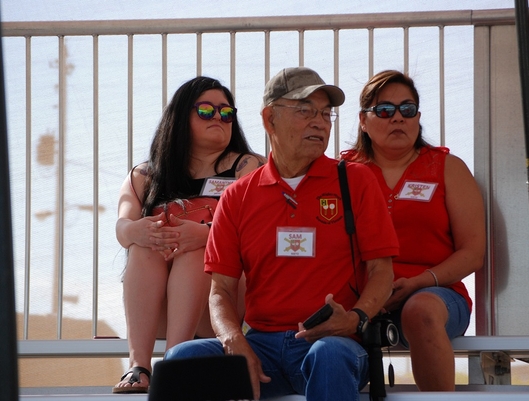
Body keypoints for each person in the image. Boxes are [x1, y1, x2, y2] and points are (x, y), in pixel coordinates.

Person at [164, 67, 400, 401]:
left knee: (329, 355)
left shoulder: (356, 180)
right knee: (180, 360)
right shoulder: (238, 195)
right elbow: (220, 291)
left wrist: (355, 318)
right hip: (262, 346)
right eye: (305, 111)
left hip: (333, 343)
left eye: (325, 113)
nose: (320, 122)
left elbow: (381, 270)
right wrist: (235, 341)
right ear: (269, 118)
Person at [113, 76, 265, 394]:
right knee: (143, 245)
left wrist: (208, 234)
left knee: (198, 248)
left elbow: (257, 223)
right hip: (162, 305)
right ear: (181, 116)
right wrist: (137, 230)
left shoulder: (246, 166)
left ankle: (174, 362)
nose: (219, 118)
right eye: (207, 110)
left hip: (222, 303)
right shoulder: (144, 176)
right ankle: (139, 365)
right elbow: (122, 226)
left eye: (226, 113)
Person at [341, 70, 486, 391]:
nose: (398, 118)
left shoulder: (447, 167)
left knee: (420, 310)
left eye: (407, 110)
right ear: (363, 120)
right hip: (361, 298)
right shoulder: (342, 173)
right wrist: (370, 296)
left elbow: (473, 253)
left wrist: (421, 281)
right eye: (384, 110)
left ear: (418, 117)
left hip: (434, 294)